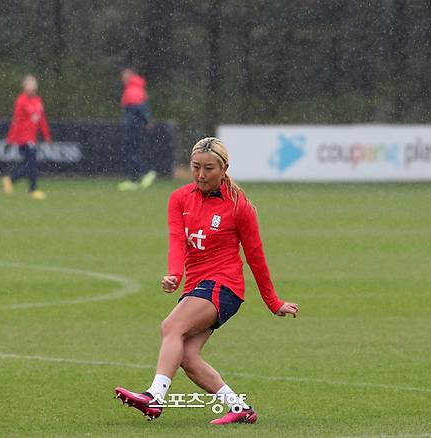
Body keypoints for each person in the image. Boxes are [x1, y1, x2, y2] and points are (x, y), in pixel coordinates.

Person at [115, 137, 299, 425]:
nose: (201, 175)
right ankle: (240, 408)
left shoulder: (240, 206)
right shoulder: (179, 198)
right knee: (187, 356)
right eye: (195, 167)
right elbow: (177, 241)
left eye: (209, 168)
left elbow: (255, 256)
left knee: (171, 326)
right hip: (197, 286)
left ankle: (155, 397)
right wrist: (175, 274)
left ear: (224, 168)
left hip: (224, 286)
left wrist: (273, 302)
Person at [1, 74, 51, 200]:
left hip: (32, 138)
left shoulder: (38, 101)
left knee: (29, 165)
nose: (32, 85)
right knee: (31, 165)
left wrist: (46, 136)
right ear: (24, 86)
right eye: (29, 83)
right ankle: (31, 189)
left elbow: (41, 120)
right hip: (23, 139)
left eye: (33, 83)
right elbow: (16, 121)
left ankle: (12, 181)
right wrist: (11, 139)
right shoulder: (21, 101)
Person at [117, 67, 157, 191]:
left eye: (124, 76)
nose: (122, 79)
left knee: (131, 152)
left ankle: (146, 172)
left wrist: (146, 120)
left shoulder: (133, 90)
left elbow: (139, 108)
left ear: (130, 76)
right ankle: (133, 180)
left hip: (134, 126)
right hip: (136, 126)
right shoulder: (135, 88)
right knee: (134, 151)